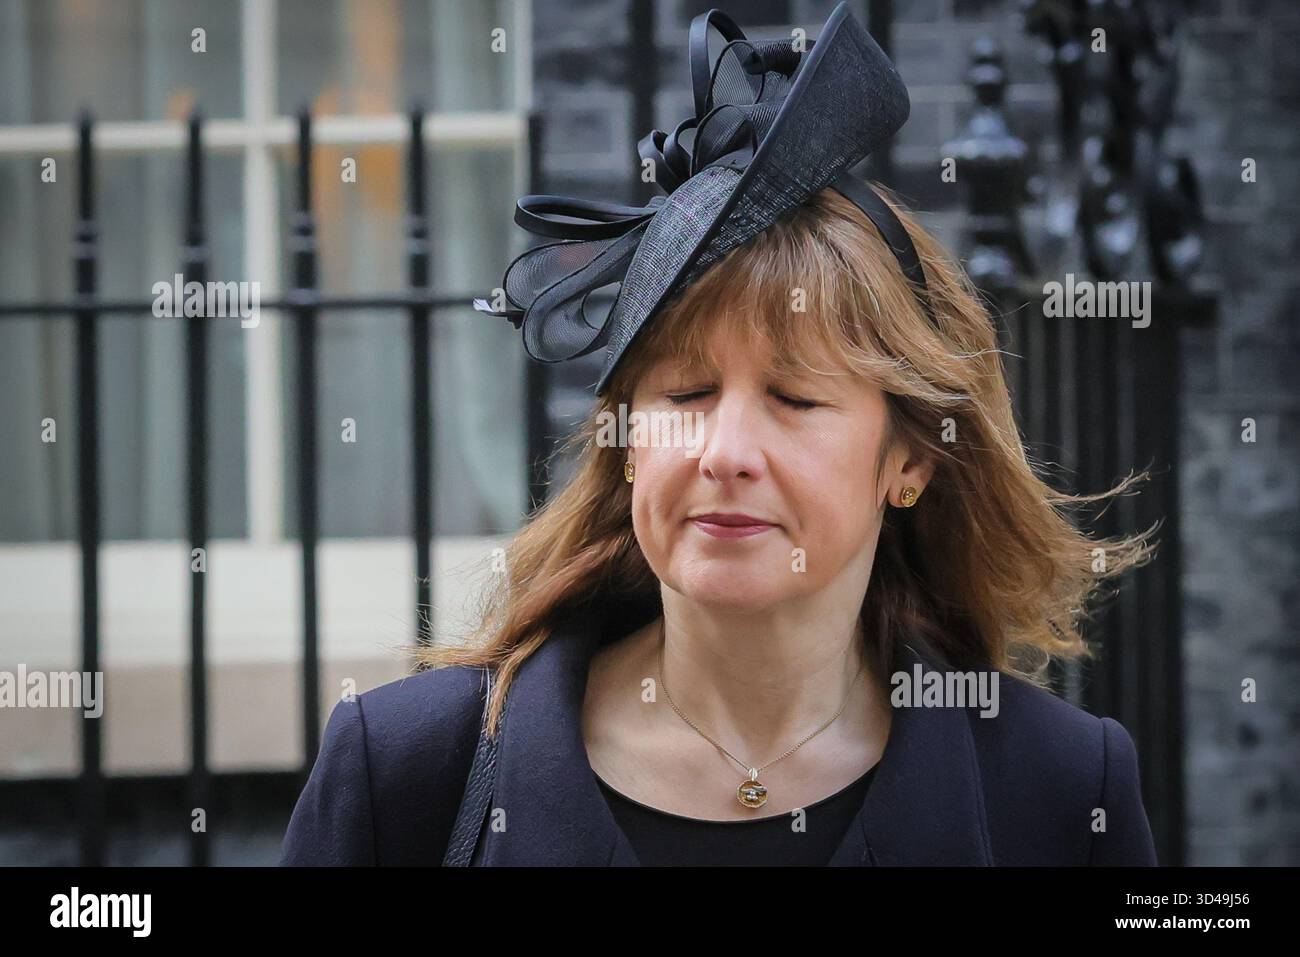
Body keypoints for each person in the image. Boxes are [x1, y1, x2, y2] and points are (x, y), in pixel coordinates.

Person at [280, 1, 1159, 867]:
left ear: (910, 459)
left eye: (795, 399)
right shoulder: (405, 774)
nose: (725, 452)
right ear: (625, 440)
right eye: (688, 392)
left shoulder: (1060, 790)